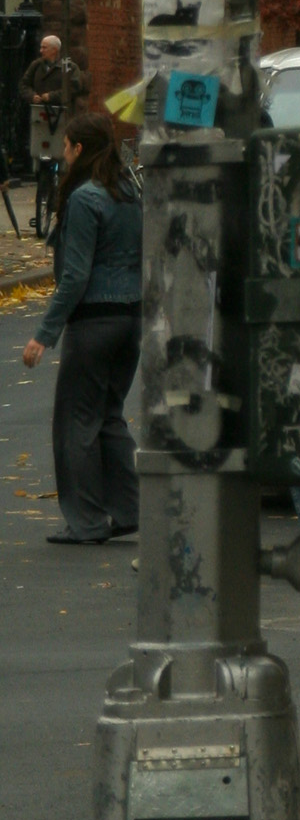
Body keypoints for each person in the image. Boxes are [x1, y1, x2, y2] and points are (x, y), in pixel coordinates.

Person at [21, 109, 141, 546]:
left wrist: (44, 334)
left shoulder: (85, 199)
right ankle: (128, 509)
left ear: (80, 149)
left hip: (94, 321)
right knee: (109, 414)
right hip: (131, 318)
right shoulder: (129, 190)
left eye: (68, 145)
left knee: (75, 421)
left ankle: (86, 520)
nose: (64, 152)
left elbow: (75, 276)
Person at [21, 36, 88, 237]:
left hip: (62, 119)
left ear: (54, 50)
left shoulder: (68, 67)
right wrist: (30, 95)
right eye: (40, 46)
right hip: (40, 119)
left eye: (44, 47)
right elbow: (23, 84)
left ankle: (60, 194)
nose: (40, 50)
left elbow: (75, 87)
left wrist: (53, 96)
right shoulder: (36, 66)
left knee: (62, 158)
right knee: (39, 155)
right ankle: (44, 193)